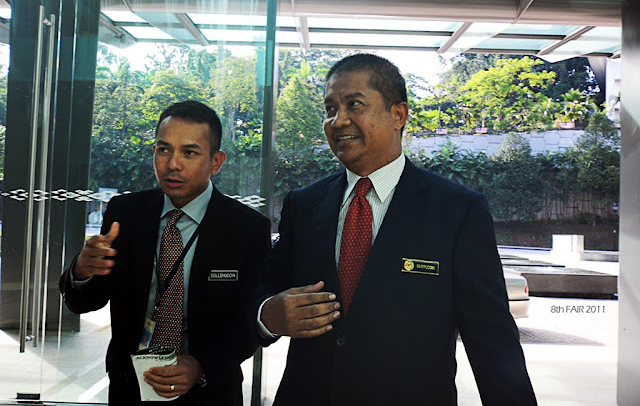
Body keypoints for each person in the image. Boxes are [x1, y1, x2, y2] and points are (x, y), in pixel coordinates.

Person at [257, 54, 537, 405]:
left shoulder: (457, 210)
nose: (338, 120)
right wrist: (267, 314)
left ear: (398, 115)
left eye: (354, 104)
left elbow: (492, 339)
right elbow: (267, 286)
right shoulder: (303, 204)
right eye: (330, 108)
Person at [60, 100, 271, 405]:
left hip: (210, 393)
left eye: (189, 153)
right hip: (131, 388)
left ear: (216, 162)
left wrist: (201, 365)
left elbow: (249, 322)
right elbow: (85, 301)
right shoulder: (125, 214)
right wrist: (82, 270)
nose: (173, 164)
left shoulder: (247, 228)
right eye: (163, 150)